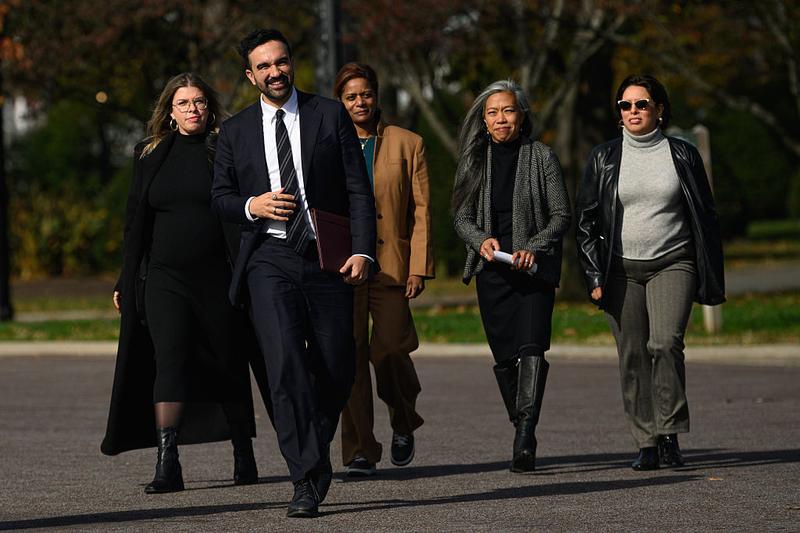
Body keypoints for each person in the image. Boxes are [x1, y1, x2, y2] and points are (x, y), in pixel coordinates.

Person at [211, 29, 376, 518]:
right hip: (268, 259)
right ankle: (304, 478)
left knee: (339, 365)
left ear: (292, 63)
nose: (274, 72)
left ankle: (313, 446)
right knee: (284, 365)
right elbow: (219, 198)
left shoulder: (329, 114)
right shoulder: (235, 131)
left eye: (280, 62)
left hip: (327, 257)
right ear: (250, 76)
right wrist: (253, 205)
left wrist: (363, 251)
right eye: (263, 66)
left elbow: (358, 188)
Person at [101, 73, 265, 494]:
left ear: (209, 108)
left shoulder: (223, 150)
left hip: (219, 277)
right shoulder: (149, 153)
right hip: (164, 277)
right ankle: (167, 461)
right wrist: (125, 277)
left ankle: (243, 452)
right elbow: (135, 222)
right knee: (169, 360)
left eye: (199, 102)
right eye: (184, 103)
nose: (193, 109)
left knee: (228, 361)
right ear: (170, 111)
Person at [575, 74, 725, 470]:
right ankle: (646, 442)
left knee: (664, 343)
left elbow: (705, 215)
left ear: (659, 109)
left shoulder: (683, 154)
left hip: (673, 261)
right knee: (632, 355)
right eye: (625, 105)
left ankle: (670, 432)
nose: (633, 111)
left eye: (641, 104)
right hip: (620, 269)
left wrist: (710, 272)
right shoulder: (603, 157)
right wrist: (594, 277)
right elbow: (586, 221)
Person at [453, 80, 571, 473]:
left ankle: (525, 435)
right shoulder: (473, 160)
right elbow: (461, 219)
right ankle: (522, 421)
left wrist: (533, 247)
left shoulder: (542, 157)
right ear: (484, 121)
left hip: (533, 272)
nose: (501, 118)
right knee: (506, 357)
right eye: (493, 112)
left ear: (522, 116)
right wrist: (480, 240)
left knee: (532, 347)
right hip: (492, 272)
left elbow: (561, 215)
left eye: (508, 110)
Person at [332, 63, 435, 477]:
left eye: (366, 94)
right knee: (350, 356)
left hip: (393, 265)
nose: (360, 102)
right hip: (344, 267)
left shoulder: (408, 143)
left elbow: (422, 211)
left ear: (376, 95)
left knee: (390, 349)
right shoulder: (327, 144)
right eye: (350, 96)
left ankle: (403, 419)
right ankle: (360, 449)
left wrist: (419, 267)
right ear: (340, 102)